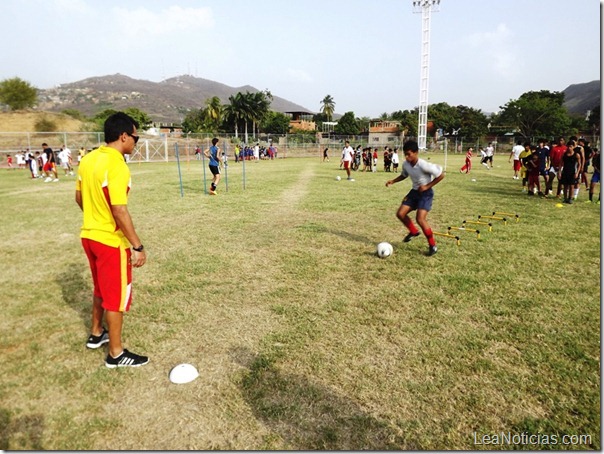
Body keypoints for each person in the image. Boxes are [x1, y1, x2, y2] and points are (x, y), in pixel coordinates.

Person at [75, 111, 148, 368]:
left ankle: (97, 333)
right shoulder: (117, 164)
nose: (136, 142)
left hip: (89, 236)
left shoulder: (88, 159)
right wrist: (137, 246)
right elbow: (119, 209)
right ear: (124, 136)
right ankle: (116, 354)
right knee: (115, 297)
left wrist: (95, 219)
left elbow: (79, 198)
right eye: (136, 137)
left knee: (100, 289)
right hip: (109, 242)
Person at [385, 140, 444, 256]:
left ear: (416, 152)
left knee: (420, 219)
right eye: (405, 154)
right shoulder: (406, 164)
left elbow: (441, 175)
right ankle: (413, 231)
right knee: (400, 214)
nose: (407, 157)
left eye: (409, 154)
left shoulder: (423, 164)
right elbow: (404, 175)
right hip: (414, 192)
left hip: (426, 194)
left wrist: (427, 186)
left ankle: (432, 245)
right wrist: (393, 181)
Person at [559, 139, 579, 204]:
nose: (569, 148)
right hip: (565, 171)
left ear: (573, 147)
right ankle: (565, 198)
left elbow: (579, 164)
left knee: (571, 186)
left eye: (571, 146)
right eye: (568, 146)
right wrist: (559, 172)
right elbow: (561, 164)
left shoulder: (576, 155)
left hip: (572, 172)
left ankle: (570, 198)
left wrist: (577, 172)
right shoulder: (564, 155)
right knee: (565, 186)